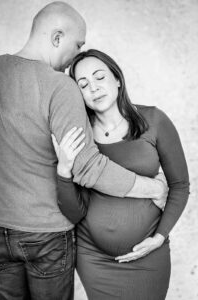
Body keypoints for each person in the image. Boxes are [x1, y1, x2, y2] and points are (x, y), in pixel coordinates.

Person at [0, 3, 168, 300]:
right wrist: (151, 187)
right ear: (56, 38)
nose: (76, 56)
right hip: (47, 235)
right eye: (77, 45)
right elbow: (87, 166)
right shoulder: (59, 85)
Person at [53, 49, 190, 300]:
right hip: (93, 258)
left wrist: (160, 237)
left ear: (117, 78)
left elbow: (180, 185)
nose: (93, 88)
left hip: (148, 256)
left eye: (99, 77)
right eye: (83, 85)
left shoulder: (154, 120)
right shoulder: (79, 136)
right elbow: (74, 211)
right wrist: (63, 170)